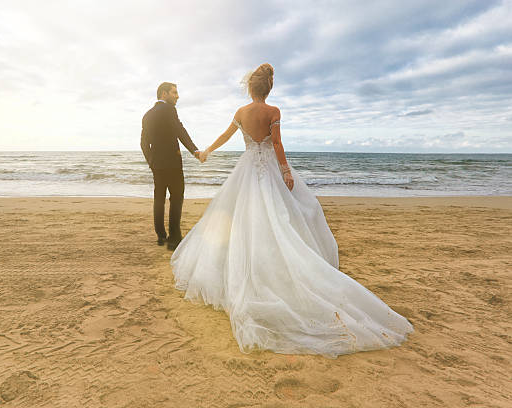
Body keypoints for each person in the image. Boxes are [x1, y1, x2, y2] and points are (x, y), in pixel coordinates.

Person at [170, 64, 414, 358]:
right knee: (285, 215)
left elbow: (225, 136)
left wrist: (206, 151)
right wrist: (285, 171)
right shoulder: (273, 111)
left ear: (250, 88)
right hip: (268, 169)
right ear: (268, 88)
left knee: (246, 219)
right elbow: (276, 143)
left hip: (247, 170)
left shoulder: (240, 112)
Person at [141, 82, 203, 250]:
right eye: (174, 92)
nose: (177, 96)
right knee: (176, 199)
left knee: (159, 199)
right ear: (163, 94)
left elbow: (143, 143)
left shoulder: (147, 115)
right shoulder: (169, 110)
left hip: (157, 166)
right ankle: (174, 238)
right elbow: (179, 130)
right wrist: (195, 151)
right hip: (173, 165)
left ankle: (161, 236)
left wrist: (151, 162)